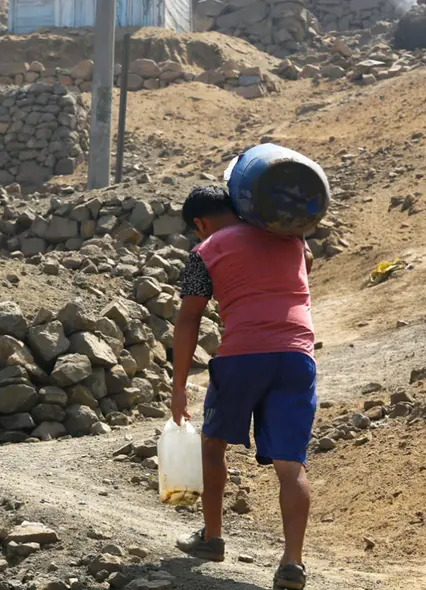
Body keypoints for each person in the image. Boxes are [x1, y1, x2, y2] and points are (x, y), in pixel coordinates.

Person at [170, 184, 316, 590]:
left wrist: (179, 385)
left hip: (242, 356)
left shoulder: (205, 251)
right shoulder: (291, 237)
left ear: (199, 223)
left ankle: (212, 537)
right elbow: (307, 260)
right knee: (291, 464)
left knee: (213, 441)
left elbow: (189, 319)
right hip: (297, 356)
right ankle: (292, 563)